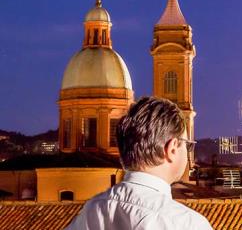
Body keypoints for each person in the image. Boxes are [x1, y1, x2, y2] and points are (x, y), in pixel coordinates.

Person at [65, 96, 212, 230]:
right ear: (172, 148)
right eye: (187, 145)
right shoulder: (186, 224)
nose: (188, 151)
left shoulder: (90, 213)